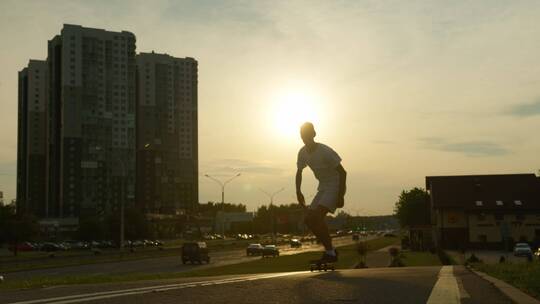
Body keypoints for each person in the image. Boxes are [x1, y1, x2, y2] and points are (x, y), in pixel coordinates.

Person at [296, 122, 347, 263]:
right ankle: (330, 251)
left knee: (317, 217)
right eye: (302, 136)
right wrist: (298, 191)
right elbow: (299, 172)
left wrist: (341, 195)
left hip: (335, 184)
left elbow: (343, 173)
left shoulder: (325, 151)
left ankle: (330, 253)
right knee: (309, 220)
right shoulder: (302, 153)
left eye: (307, 135)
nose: (304, 138)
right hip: (323, 187)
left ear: (313, 134)